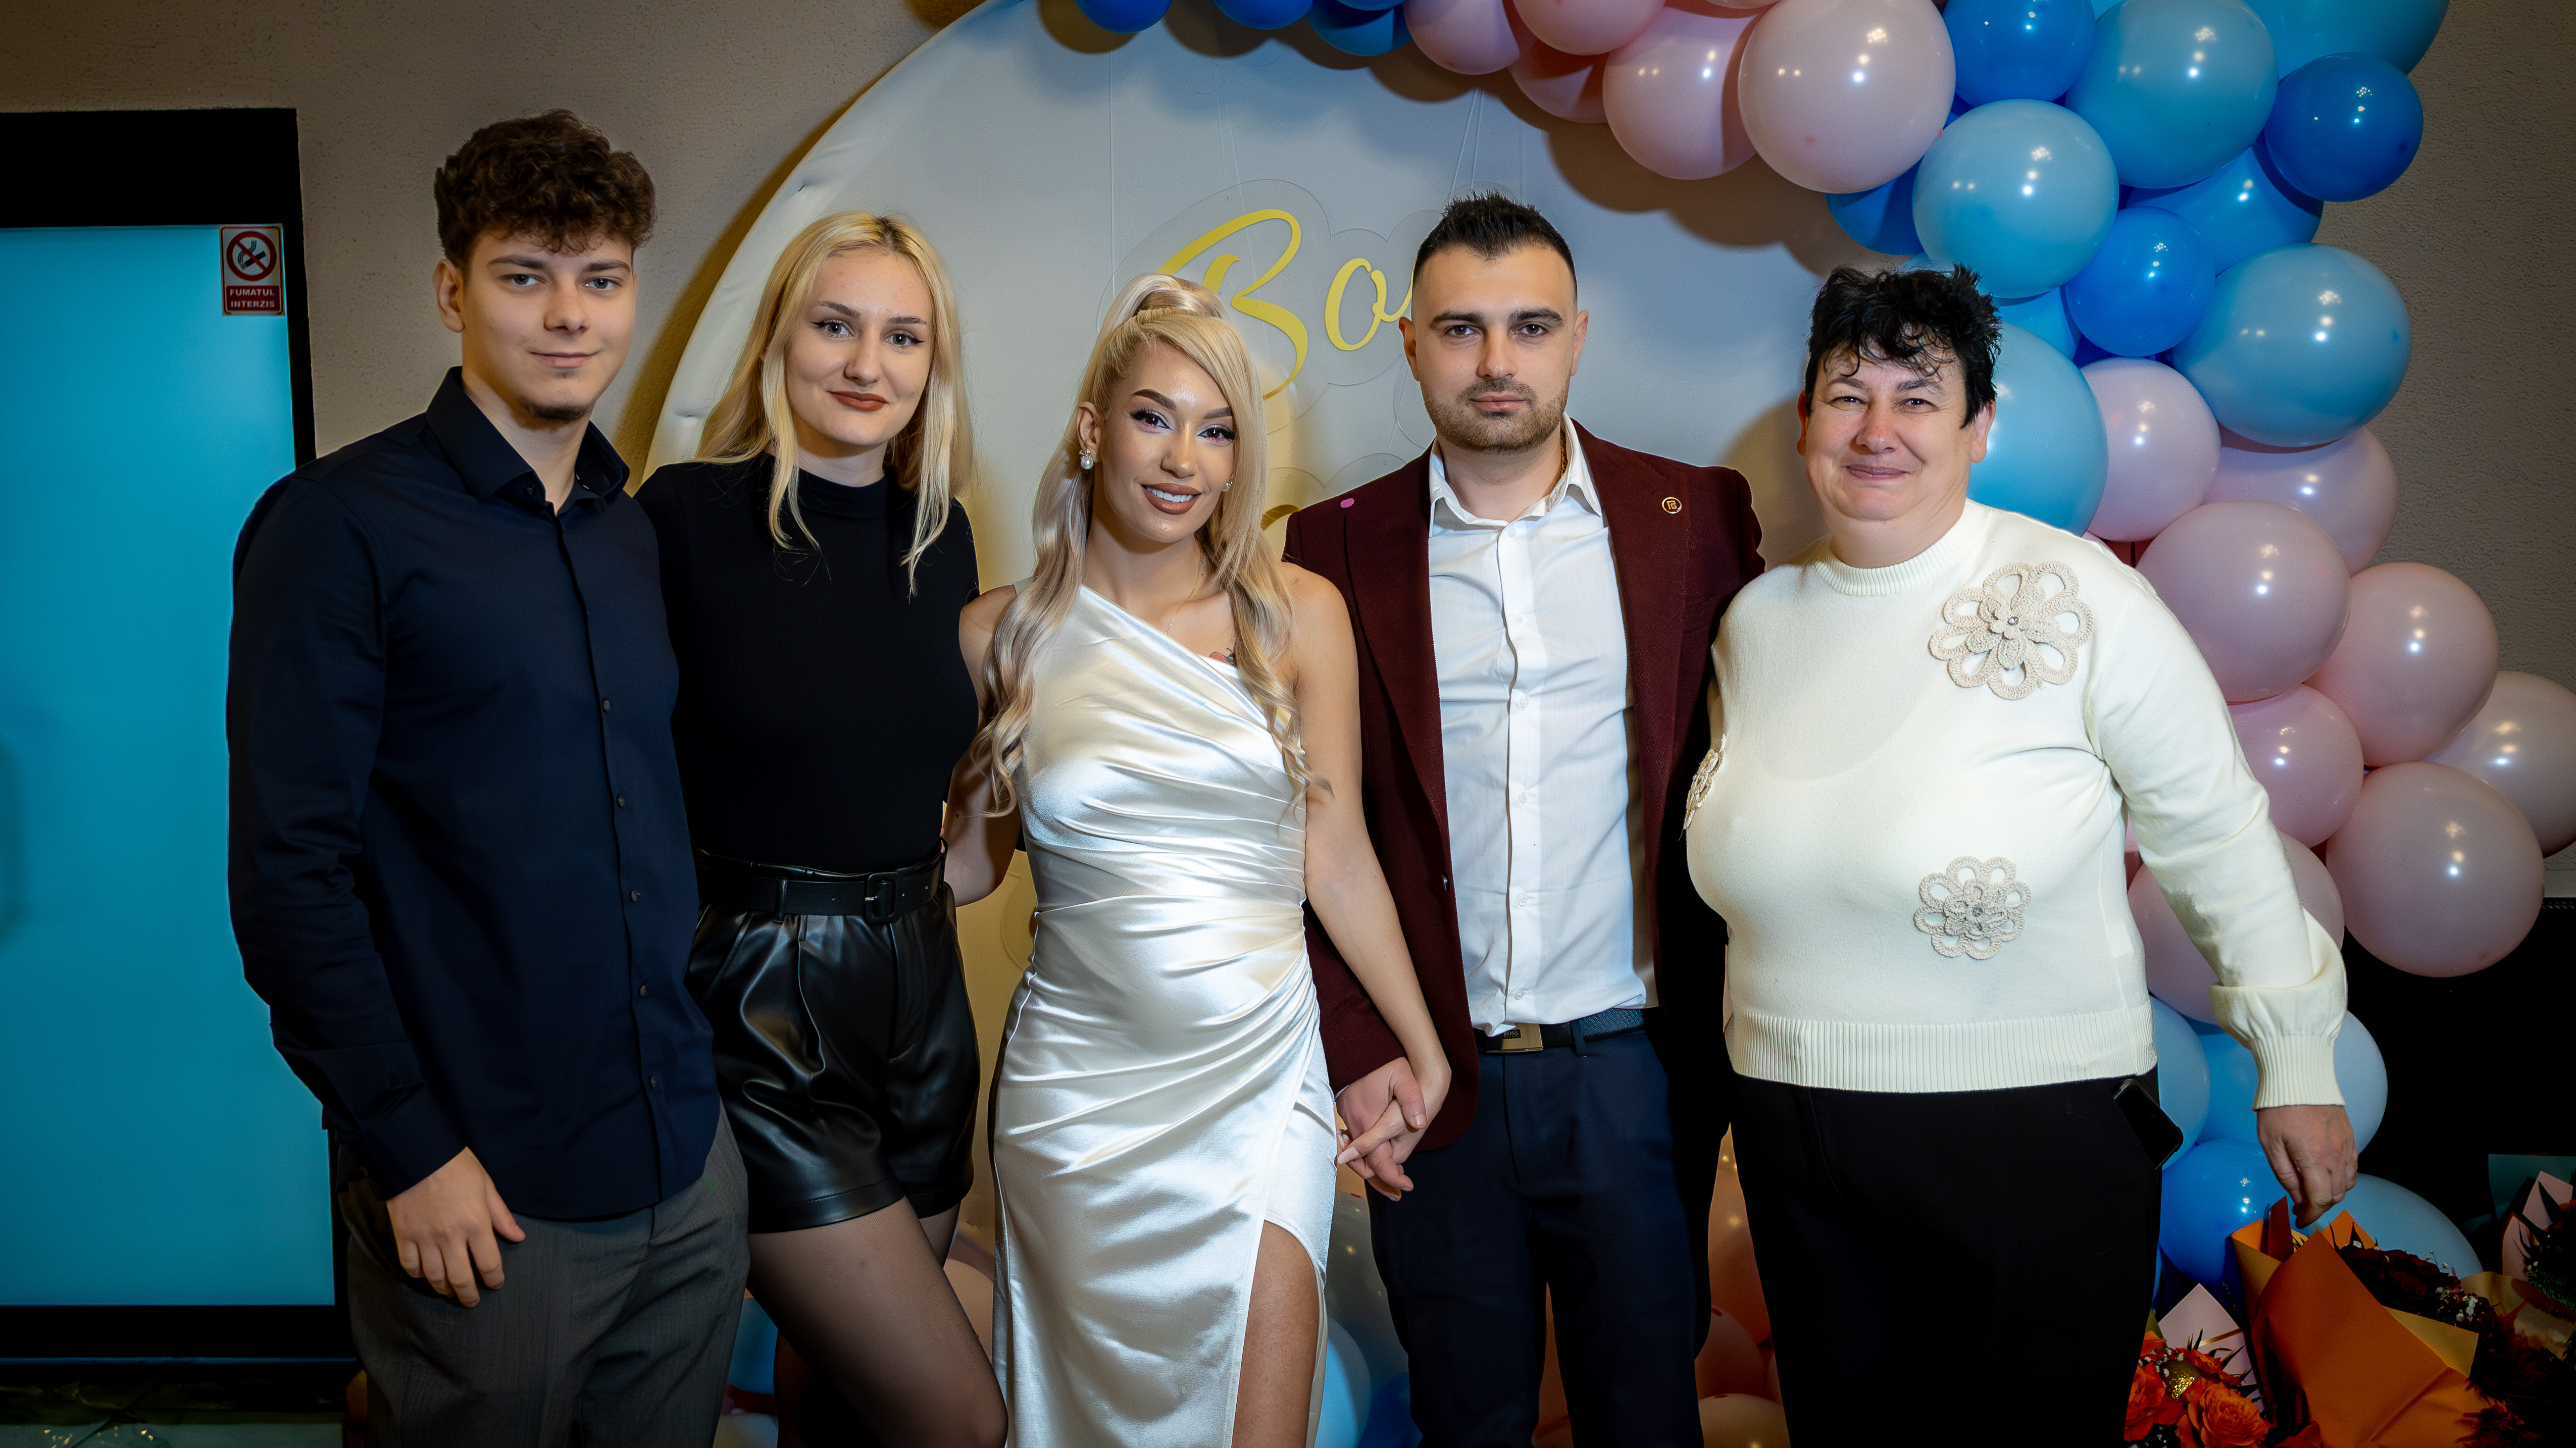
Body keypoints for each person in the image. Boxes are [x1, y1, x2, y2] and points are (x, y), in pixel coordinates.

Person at [1684, 264, 2357, 1445]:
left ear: (1979, 427)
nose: (1877, 430)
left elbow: (2211, 828)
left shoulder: (2076, 595)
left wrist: (2294, 1058)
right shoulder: (1755, 622)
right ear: (1803, 422)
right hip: (1797, 1139)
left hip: (2033, 1134)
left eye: (1918, 398)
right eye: (1846, 396)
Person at [228, 111, 747, 1445]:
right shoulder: (337, 526)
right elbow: (290, 875)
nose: (569, 315)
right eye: (527, 275)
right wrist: (409, 1148)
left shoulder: (631, 533)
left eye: (600, 278)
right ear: (453, 292)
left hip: (683, 1169)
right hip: (482, 1190)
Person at [1281, 193, 1765, 1446]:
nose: (1496, 361)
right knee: (1467, 1419)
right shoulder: (1327, 551)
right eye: (1461, 330)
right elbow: (1296, 828)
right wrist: (1355, 1046)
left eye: (1530, 327)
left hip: (1635, 1074)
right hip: (1431, 1080)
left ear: (1578, 338)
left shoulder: (1697, 521)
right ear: (1410, 344)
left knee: (1646, 1421)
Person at [941, 275, 1451, 1448]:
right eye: (1153, 418)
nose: (1183, 459)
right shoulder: (995, 635)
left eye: (1217, 430)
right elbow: (965, 871)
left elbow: (1336, 856)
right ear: (1092, 429)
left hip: (1262, 1077)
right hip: (1076, 1103)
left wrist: (1422, 1049)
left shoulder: (1295, 613)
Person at [634, 212, 1002, 1448]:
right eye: (835, 325)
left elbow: (940, 790)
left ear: (933, 365)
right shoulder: (683, 517)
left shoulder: (941, 532)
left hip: (923, 994)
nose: (865, 363)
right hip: (759, 1005)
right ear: (776, 340)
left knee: (844, 1402)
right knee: (956, 1418)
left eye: (902, 337)